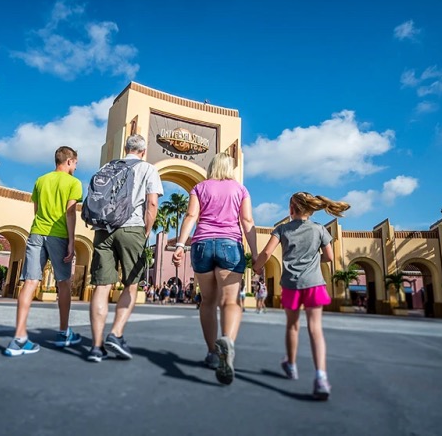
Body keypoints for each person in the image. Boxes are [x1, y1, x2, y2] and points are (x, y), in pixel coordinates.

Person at [253, 192, 349, 400]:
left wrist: (257, 267)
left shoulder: (282, 229)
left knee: (293, 326)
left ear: (291, 209)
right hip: (314, 283)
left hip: (291, 284)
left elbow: (267, 253)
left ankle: (292, 365)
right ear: (311, 209)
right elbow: (330, 257)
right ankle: (321, 377)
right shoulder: (320, 230)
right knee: (316, 329)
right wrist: (313, 259)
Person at [172, 152, 258, 385]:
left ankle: (212, 352)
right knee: (230, 301)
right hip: (230, 245)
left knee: (208, 301)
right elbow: (247, 222)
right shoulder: (240, 189)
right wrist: (256, 253)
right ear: (230, 168)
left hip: (201, 245)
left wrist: (180, 244)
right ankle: (227, 342)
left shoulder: (199, 187)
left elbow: (191, 215)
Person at [87, 134, 163, 362]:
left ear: (125, 148)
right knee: (131, 285)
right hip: (132, 229)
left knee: (101, 287)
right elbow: (151, 204)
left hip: (103, 230)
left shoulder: (108, 166)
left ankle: (96, 347)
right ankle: (116, 333)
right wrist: (146, 231)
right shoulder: (148, 168)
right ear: (143, 151)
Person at [4, 146, 82, 357]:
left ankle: (18, 338)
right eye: (75, 163)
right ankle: (64, 332)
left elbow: (37, 211)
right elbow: (70, 214)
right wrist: (71, 242)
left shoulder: (40, 180)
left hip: (36, 233)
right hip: (59, 235)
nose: (75, 167)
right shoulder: (74, 183)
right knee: (63, 283)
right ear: (68, 161)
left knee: (29, 282)